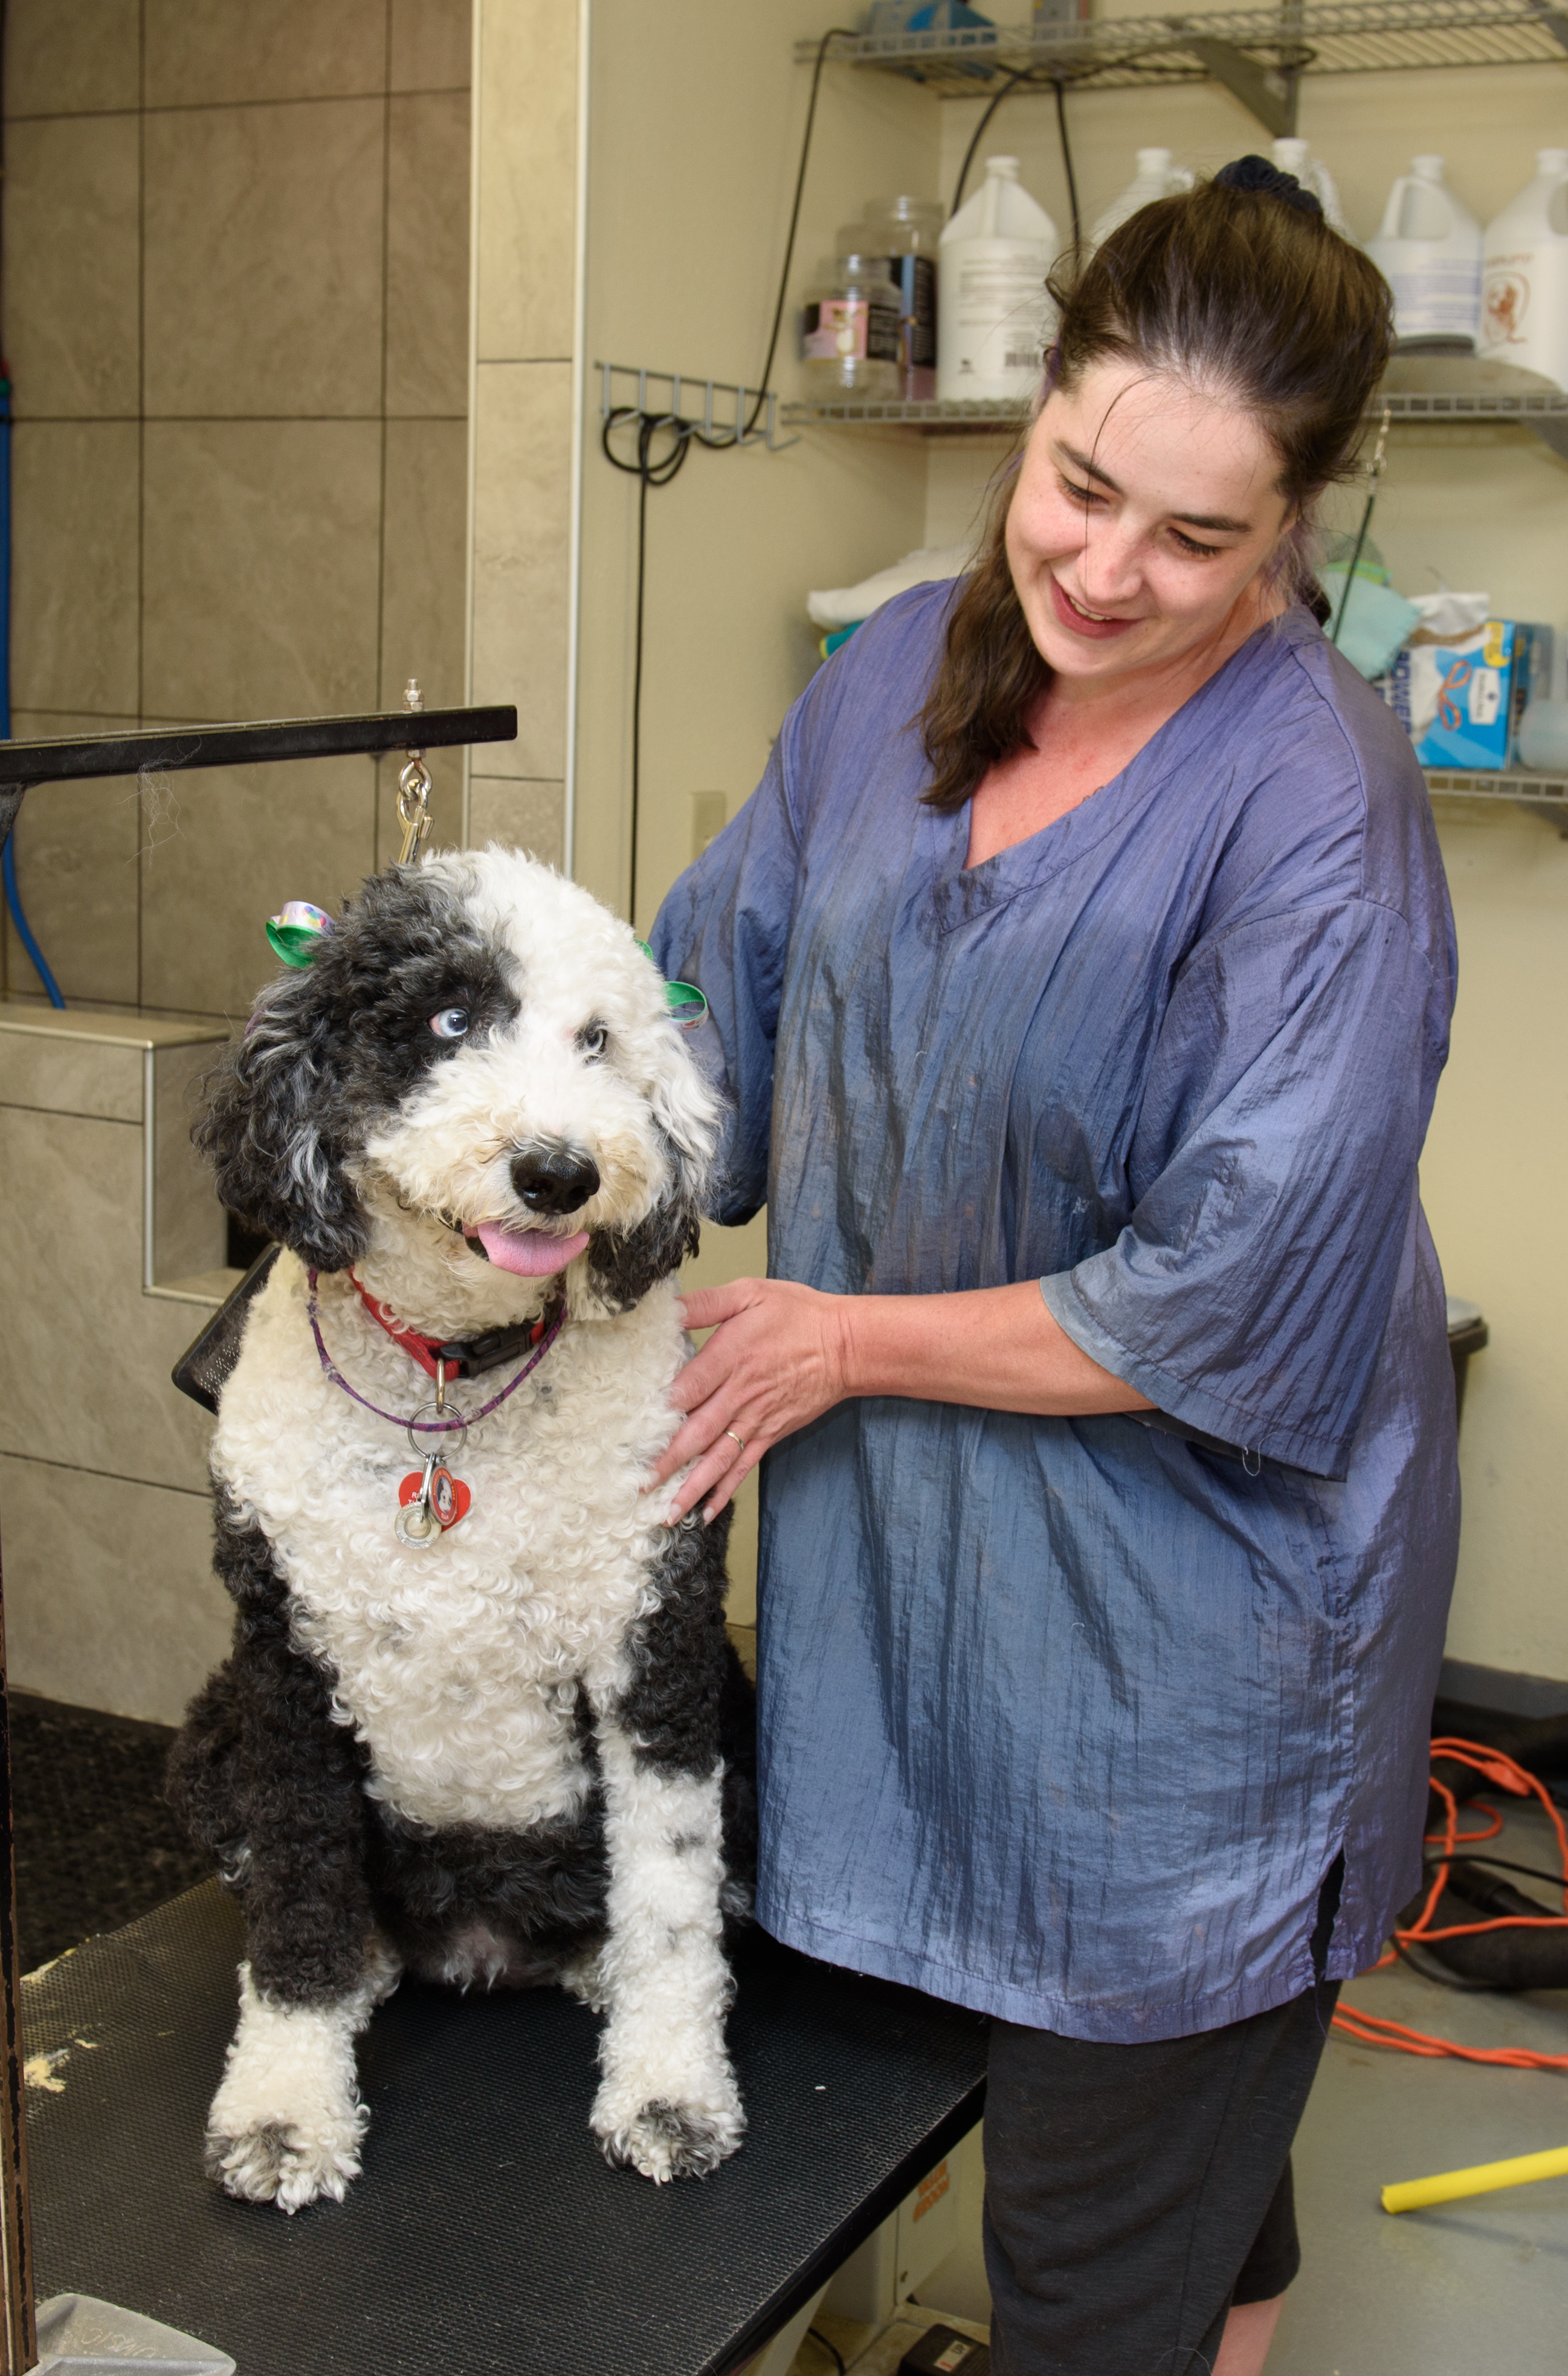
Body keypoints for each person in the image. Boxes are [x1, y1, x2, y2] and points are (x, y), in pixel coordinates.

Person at [648, 158, 1457, 2376]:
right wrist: (506, 1165)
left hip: (1183, 1655)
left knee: (1101, 2236)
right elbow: (705, 1005)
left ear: (1292, 530)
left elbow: (1231, 1284)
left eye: (1195, 538)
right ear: (1037, 407)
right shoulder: (895, 675)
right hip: (918, 1593)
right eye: (1078, 483)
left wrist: (841, 1338)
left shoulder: (1319, 807)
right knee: (1174, 2161)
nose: (1106, 567)